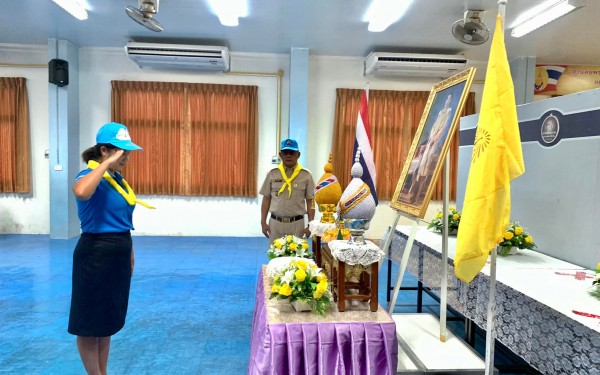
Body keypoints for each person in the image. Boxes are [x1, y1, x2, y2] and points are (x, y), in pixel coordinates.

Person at [68, 122, 153, 375]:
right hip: (94, 254)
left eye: (127, 152)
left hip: (118, 250)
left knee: (105, 321)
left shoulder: (117, 179)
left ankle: (102, 372)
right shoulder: (88, 176)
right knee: (88, 323)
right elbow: (81, 193)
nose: (126, 157)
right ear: (104, 151)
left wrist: (130, 251)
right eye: (120, 152)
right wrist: (105, 164)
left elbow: (122, 221)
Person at [260, 138, 315, 243]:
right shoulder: (272, 174)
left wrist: (310, 225)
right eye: (285, 152)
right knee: (275, 256)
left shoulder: (306, 175)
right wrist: (263, 222)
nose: (288, 155)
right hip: (275, 224)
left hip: (297, 224)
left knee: (296, 257)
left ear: (298, 155)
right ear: (280, 155)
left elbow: (310, 201)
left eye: (292, 152)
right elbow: (266, 198)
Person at [406, 94, 453, 204]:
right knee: (418, 167)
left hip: (435, 141)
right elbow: (435, 125)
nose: (447, 101)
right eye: (447, 98)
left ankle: (416, 195)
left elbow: (442, 128)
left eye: (449, 99)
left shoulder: (449, 112)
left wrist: (434, 139)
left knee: (425, 168)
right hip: (431, 139)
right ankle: (413, 191)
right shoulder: (442, 111)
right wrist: (429, 140)